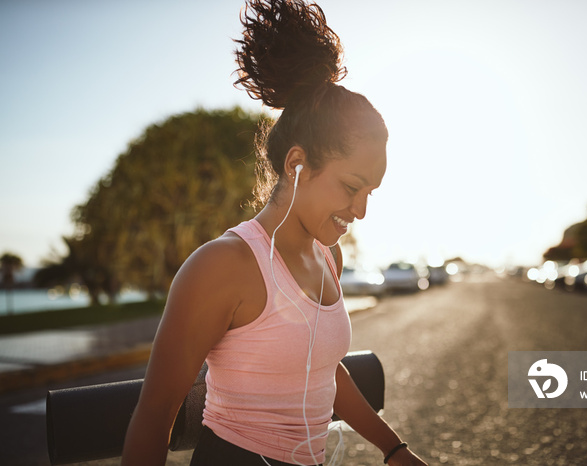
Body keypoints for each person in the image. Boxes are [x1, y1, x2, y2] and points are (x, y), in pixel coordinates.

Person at [121, 0, 427, 465]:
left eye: (371, 192)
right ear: (297, 164)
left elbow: (322, 372)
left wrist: (394, 448)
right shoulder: (223, 265)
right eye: (351, 187)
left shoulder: (328, 258)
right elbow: (156, 411)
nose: (361, 211)